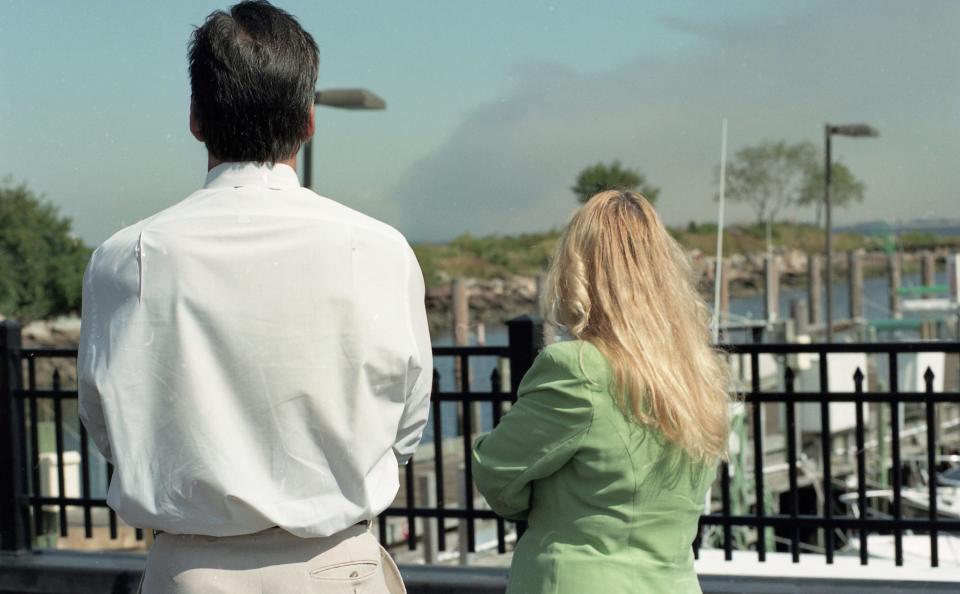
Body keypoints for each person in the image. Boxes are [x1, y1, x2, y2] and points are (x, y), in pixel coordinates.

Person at [77, 2, 431, 592]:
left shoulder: (125, 256)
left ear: (195, 118)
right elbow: (407, 421)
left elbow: (104, 418)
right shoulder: (380, 248)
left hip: (190, 568)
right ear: (308, 120)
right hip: (338, 563)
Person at [472, 190, 731, 594]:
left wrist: (550, 495)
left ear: (579, 270)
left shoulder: (578, 367)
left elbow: (498, 476)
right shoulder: (697, 374)